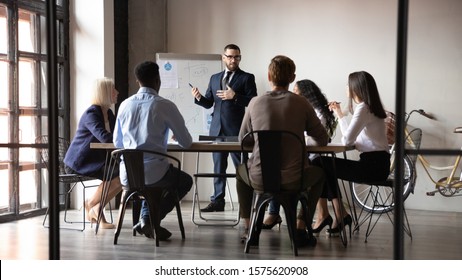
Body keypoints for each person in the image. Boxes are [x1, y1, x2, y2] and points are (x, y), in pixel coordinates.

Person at [236, 55, 329, 247]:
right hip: (295, 179)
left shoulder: (254, 102)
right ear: (292, 77)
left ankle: (249, 228)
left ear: (269, 76)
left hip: (260, 178)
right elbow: (322, 138)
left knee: (240, 172)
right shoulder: (301, 103)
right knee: (320, 174)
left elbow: (243, 141)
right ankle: (301, 227)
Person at [113, 61, 193, 240]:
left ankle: (146, 219)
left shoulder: (124, 105)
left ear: (137, 81)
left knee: (147, 184)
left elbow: (117, 142)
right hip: (155, 174)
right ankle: (149, 219)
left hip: (128, 175)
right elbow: (186, 142)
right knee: (185, 181)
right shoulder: (165, 105)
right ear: (158, 81)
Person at [312, 71, 390, 236]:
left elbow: (348, 141)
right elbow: (352, 139)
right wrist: (339, 114)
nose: (346, 87)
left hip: (371, 167)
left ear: (356, 87)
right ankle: (339, 214)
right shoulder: (370, 107)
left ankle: (336, 214)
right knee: (325, 164)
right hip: (378, 164)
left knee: (319, 162)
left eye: (348, 84)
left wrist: (342, 120)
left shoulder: (363, 108)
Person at [262, 79, 337, 230]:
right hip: (299, 156)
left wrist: (296, 140)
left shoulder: (314, 112)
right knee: (278, 169)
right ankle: (279, 214)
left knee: (280, 170)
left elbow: (319, 139)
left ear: (306, 94)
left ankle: (297, 219)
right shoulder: (298, 109)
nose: (293, 95)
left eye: (297, 92)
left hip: (308, 157)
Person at [191, 44, 257, 212]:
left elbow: (253, 102)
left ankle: (246, 203)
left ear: (240, 58)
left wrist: (235, 96)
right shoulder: (215, 78)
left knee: (241, 169)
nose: (233, 60)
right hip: (216, 131)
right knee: (218, 169)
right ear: (223, 57)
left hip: (237, 132)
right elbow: (209, 103)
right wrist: (199, 98)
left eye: (236, 57)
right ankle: (217, 201)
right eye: (230, 56)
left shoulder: (247, 78)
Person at [63, 77, 123, 229]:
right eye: (113, 89)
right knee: (118, 174)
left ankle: (95, 207)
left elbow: (118, 135)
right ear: (104, 93)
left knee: (124, 174)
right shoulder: (92, 113)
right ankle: (91, 205)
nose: (117, 92)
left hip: (96, 160)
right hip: (80, 162)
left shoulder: (108, 113)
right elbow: (105, 137)